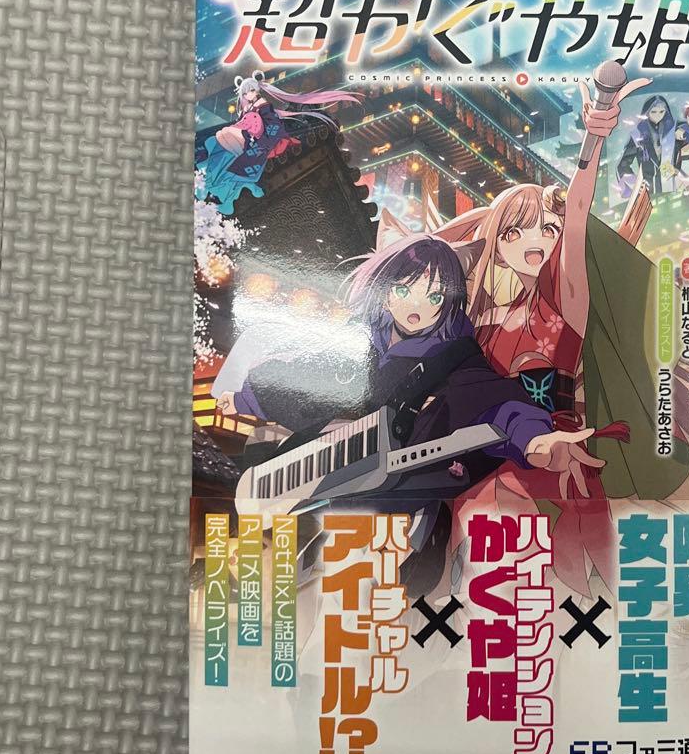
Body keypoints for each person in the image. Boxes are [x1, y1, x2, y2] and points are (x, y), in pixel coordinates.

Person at [219, 234, 601, 594]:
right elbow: (307, 376)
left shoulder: (454, 355)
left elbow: (495, 401)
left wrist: (535, 439)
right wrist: (246, 399)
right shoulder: (360, 335)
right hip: (326, 461)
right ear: (385, 291)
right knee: (273, 489)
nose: (416, 308)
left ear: (448, 301)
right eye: (403, 291)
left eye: (433, 296)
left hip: (396, 485)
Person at [436, 72, 652, 595]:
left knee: (579, 596)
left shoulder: (562, 304)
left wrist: (592, 141)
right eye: (516, 229)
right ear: (497, 240)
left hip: (558, 461)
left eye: (547, 229)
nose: (536, 238)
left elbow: (576, 214)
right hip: (477, 462)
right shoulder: (469, 317)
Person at [196, 70, 360, 214]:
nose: (249, 94)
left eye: (251, 90)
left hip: (259, 143)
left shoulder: (263, 107)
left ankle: (220, 195)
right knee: (224, 159)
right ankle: (214, 189)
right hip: (247, 141)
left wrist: (260, 141)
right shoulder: (249, 110)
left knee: (236, 169)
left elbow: (272, 126)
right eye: (246, 92)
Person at [616, 94, 676, 197]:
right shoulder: (637, 134)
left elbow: (686, 128)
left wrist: (684, 131)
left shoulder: (671, 129)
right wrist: (636, 185)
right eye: (653, 112)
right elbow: (622, 165)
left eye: (662, 111)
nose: (658, 115)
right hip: (649, 187)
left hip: (669, 185)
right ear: (647, 112)